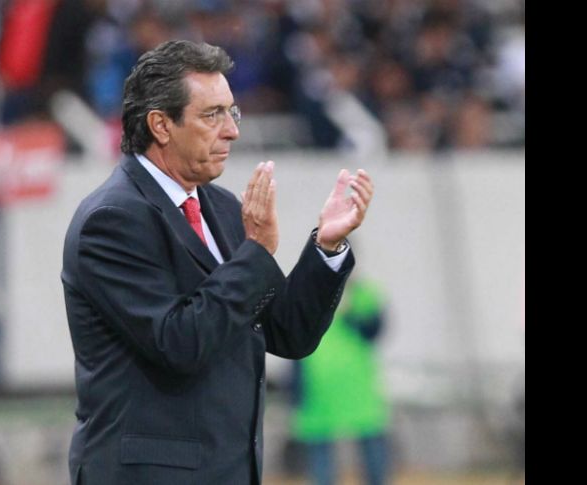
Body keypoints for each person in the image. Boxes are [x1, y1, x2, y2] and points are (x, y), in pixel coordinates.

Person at [61, 39, 374, 485]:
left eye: (232, 112)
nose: (231, 131)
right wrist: (256, 252)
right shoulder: (113, 219)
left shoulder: (222, 208)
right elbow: (179, 342)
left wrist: (326, 247)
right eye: (212, 115)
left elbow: (288, 332)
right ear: (161, 125)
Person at [290, 276, 390, 485]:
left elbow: (373, 330)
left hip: (346, 381)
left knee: (361, 446)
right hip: (324, 381)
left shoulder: (361, 295)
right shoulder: (313, 292)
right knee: (326, 449)